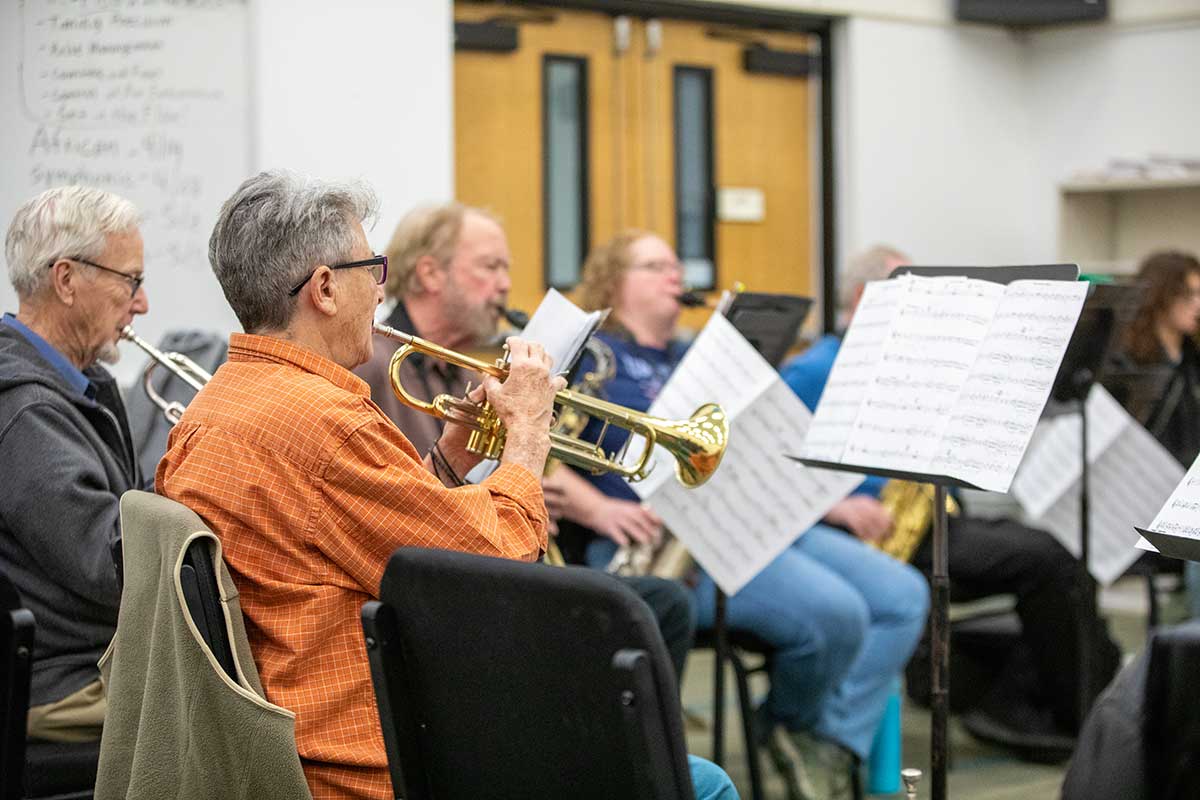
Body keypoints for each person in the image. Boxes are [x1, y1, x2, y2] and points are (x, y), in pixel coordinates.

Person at [158, 174, 735, 800]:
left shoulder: (212, 407)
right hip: (372, 756)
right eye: (370, 269)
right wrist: (527, 436)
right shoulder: (325, 424)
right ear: (323, 288)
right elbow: (497, 562)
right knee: (697, 781)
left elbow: (392, 542)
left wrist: (453, 458)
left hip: (286, 735)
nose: (380, 291)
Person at [549, 230, 930, 800]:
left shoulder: (687, 353)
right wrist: (598, 507)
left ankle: (806, 730)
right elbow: (539, 448)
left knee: (901, 596)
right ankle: (793, 727)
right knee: (838, 615)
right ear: (612, 280)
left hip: (728, 518)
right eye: (654, 266)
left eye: (677, 265)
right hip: (651, 545)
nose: (674, 276)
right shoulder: (598, 354)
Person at [782, 244, 1122, 757]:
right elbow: (777, 460)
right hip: (878, 532)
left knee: (1058, 555)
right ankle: (1066, 714)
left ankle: (1058, 704)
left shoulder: (907, 362)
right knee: (1045, 561)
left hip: (931, 519)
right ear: (862, 296)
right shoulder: (814, 370)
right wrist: (840, 504)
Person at [355, 203, 697, 681]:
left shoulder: (463, 366)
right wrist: (520, 460)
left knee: (656, 603)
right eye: (490, 267)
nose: (504, 285)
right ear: (430, 274)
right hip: (449, 596)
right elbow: (410, 512)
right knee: (650, 607)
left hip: (488, 566)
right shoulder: (379, 366)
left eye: (506, 270)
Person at [1, 185, 149, 743]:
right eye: (130, 281)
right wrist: (202, 472)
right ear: (66, 280)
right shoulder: (25, 407)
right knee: (245, 718)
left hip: (95, 662)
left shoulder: (78, 385)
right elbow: (111, 566)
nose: (141, 304)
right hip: (63, 684)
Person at [1104, 250, 1200, 617]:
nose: (1197, 305)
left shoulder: (1192, 358)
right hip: (1148, 501)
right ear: (1161, 295)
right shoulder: (1129, 366)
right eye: (1187, 295)